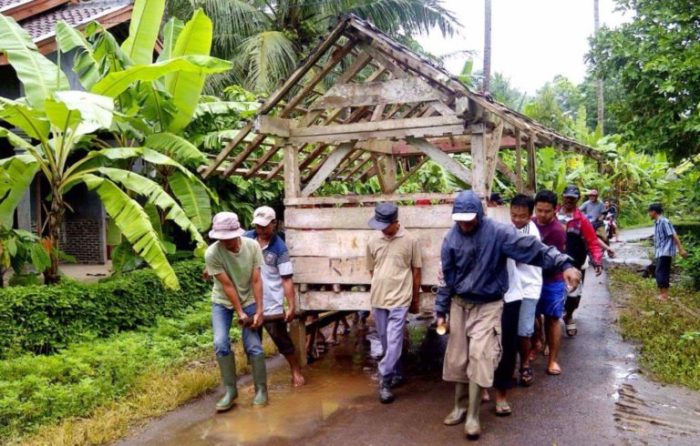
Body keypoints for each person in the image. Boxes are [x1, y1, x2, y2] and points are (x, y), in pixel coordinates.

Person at [437, 190, 580, 440]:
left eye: (469, 218)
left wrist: (565, 264)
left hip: (489, 304)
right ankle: (459, 406)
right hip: (460, 303)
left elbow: (535, 249)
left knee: (480, 355)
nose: (465, 224)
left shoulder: (499, 233)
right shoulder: (451, 238)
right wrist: (441, 310)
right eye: (460, 219)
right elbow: (446, 279)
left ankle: (472, 415)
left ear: (480, 214)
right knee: (458, 358)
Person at [204, 211, 267, 411]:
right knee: (220, 342)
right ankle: (231, 391)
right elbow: (228, 286)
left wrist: (258, 310)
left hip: (249, 297)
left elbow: (256, 279)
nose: (226, 242)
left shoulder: (252, 246)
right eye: (221, 238)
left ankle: (261, 390)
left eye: (229, 238)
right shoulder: (212, 254)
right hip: (222, 301)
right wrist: (240, 313)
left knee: (253, 345)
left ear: (237, 233)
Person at [366, 202, 422, 404]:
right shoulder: (373, 240)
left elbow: (416, 271)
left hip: (400, 298)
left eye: (384, 225)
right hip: (379, 298)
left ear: (395, 223)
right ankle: (396, 372)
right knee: (385, 340)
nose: (381, 229)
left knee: (394, 340)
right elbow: (372, 270)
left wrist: (415, 298)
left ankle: (384, 379)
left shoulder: (410, 240)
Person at [492, 194, 542, 416]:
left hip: (528, 286)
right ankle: (505, 371)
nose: (517, 219)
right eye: (513, 215)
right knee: (506, 333)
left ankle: (524, 366)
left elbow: (519, 255)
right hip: (511, 287)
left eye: (522, 216)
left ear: (530, 215)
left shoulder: (532, 233)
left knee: (522, 332)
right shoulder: (507, 226)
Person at [244, 206, 305, 387]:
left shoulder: (279, 248)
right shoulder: (246, 239)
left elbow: (286, 279)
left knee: (281, 339)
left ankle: (295, 370)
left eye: (265, 226)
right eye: (258, 226)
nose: (261, 230)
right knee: (252, 342)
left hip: (271, 302)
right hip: (250, 300)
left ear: (274, 224)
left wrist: (291, 305)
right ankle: (257, 380)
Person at [558, 185, 603, 338]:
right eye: (567, 197)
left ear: (577, 199)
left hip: (575, 264)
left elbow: (592, 241)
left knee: (573, 297)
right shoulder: (553, 214)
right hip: (553, 263)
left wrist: (597, 260)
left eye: (573, 197)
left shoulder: (582, 220)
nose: (569, 200)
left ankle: (568, 315)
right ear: (562, 196)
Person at [648, 203, 688, 300]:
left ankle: (664, 295)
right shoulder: (658, 223)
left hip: (665, 252)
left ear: (653, 212)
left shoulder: (664, 222)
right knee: (659, 272)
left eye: (649, 212)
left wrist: (681, 249)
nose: (649, 214)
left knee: (661, 272)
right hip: (660, 251)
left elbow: (673, 235)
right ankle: (663, 294)